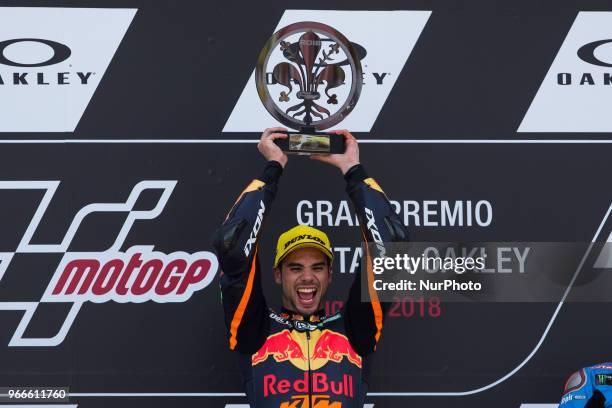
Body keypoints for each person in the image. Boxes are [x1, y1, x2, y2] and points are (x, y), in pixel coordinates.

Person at [213, 127, 408, 407]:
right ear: (278, 274)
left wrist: (353, 170)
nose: (307, 277)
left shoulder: (355, 330)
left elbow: (392, 249)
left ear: (329, 275)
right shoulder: (254, 332)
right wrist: (272, 168)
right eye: (295, 268)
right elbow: (233, 245)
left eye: (317, 267)